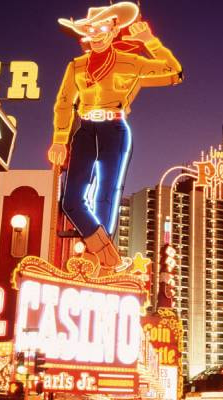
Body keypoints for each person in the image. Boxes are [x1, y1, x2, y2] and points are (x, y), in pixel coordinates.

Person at [48, 2, 183, 268]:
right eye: (90, 29)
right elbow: (64, 102)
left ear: (113, 30)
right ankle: (107, 254)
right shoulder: (76, 66)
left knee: (106, 195)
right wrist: (60, 138)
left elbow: (174, 72)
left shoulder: (130, 62)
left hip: (115, 129)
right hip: (84, 130)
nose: (96, 33)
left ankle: (96, 256)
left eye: (101, 27)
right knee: (72, 200)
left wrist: (150, 41)